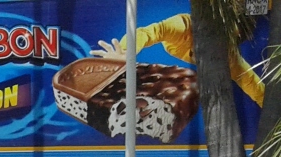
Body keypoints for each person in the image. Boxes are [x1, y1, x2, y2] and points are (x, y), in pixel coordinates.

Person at [92, 14, 264, 107]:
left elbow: (255, 87)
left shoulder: (229, 57)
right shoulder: (183, 26)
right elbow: (149, 32)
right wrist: (126, 52)